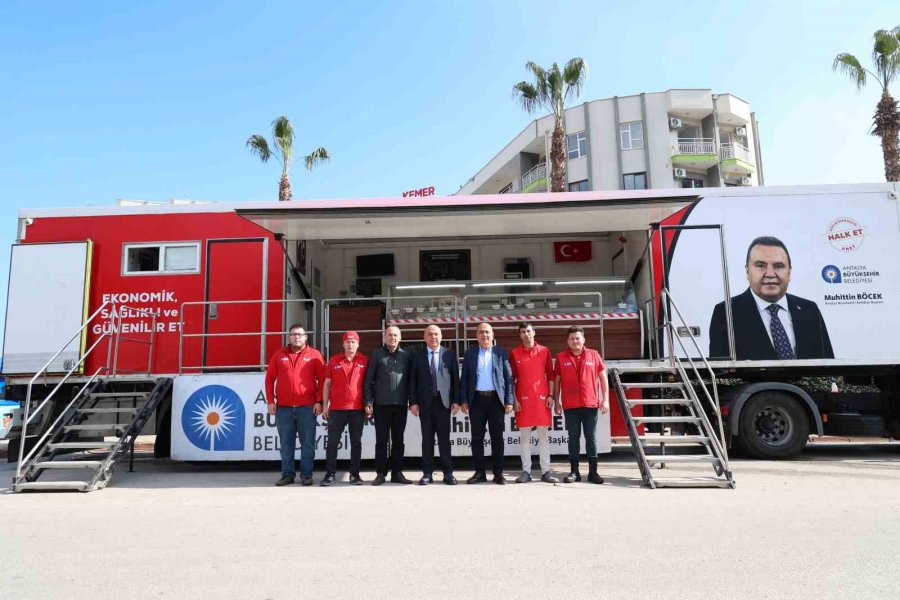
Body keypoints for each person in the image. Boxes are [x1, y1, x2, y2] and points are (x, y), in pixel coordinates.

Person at [709, 236, 834, 360]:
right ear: (747, 271)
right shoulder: (726, 312)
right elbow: (722, 374)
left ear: (789, 272)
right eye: (760, 265)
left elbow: (828, 367)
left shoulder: (809, 310)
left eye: (778, 266)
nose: (769, 274)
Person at [265, 324, 325, 487]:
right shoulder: (279, 355)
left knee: (308, 443)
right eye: (293, 335)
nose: (296, 337)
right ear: (289, 337)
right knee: (286, 443)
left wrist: (319, 401)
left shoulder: (314, 355)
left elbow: (323, 380)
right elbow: (270, 378)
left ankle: (306, 475)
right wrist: (271, 401)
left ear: (306, 337)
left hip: (307, 407)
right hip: (283, 408)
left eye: (299, 334)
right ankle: (287, 474)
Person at [460, 322, 514, 485]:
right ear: (476, 336)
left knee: (497, 438)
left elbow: (509, 378)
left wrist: (509, 399)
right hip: (476, 400)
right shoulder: (470, 354)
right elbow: (464, 380)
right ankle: (479, 472)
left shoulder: (501, 353)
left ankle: (498, 473)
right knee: (476, 438)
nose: (484, 335)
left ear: (493, 335)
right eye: (481, 332)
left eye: (487, 332)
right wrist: (464, 400)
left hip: (496, 400)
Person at [554, 325, 608, 484]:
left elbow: (603, 378)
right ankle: (574, 472)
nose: (575, 341)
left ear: (583, 339)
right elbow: (557, 381)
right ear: (567, 341)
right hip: (570, 406)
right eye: (572, 338)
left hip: (590, 404)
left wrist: (605, 399)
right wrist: (557, 402)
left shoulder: (594, 355)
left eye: (578, 338)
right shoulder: (561, 357)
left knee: (591, 438)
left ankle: (593, 473)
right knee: (573, 438)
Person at [410, 325, 460, 485]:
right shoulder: (417, 356)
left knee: (444, 440)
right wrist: (413, 402)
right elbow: (413, 381)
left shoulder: (449, 355)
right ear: (424, 337)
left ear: (441, 336)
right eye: (430, 335)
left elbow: (455, 381)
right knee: (427, 440)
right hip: (425, 403)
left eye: (436, 334)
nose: (433, 337)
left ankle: (448, 473)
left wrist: (456, 400)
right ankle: (427, 473)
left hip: (444, 403)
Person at [364, 325, 413, 486]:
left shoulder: (406, 356)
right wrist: (368, 402)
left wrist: (412, 402)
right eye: (390, 335)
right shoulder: (377, 355)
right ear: (385, 337)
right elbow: (369, 381)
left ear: (400, 338)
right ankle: (380, 473)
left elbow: (412, 382)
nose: (392, 338)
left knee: (399, 440)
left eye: (395, 335)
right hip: (381, 405)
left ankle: (397, 472)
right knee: (381, 440)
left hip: (400, 405)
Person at [510, 322, 559, 484]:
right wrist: (514, 399)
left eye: (529, 331)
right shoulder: (515, 353)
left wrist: (551, 396)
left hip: (542, 399)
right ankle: (526, 471)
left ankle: (545, 472)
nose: (526, 334)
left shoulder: (544, 351)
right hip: (522, 400)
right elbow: (511, 379)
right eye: (523, 332)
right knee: (524, 438)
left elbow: (550, 375)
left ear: (534, 332)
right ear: (520, 335)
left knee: (543, 438)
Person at [320, 331, 368, 487]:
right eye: (348, 342)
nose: (350, 344)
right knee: (333, 442)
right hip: (337, 408)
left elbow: (369, 385)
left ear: (358, 344)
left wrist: (369, 403)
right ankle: (330, 474)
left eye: (353, 342)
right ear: (343, 344)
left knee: (356, 442)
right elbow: (326, 384)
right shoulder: (333, 361)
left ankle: (355, 474)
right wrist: (325, 405)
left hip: (357, 408)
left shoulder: (364, 361)